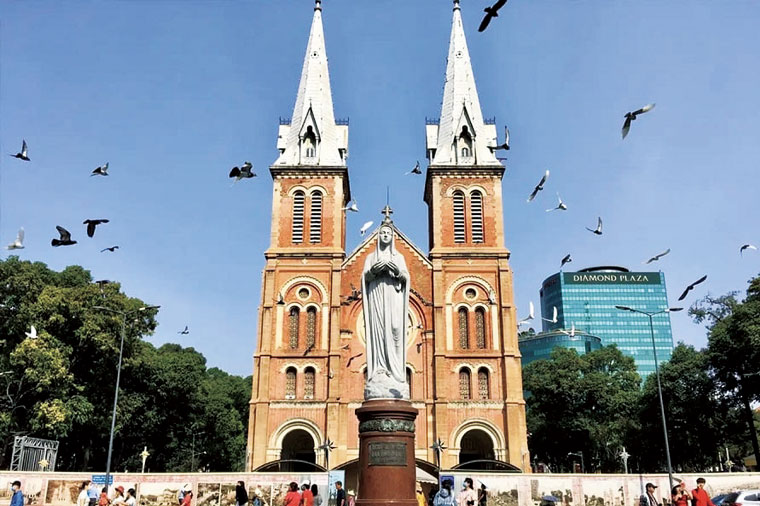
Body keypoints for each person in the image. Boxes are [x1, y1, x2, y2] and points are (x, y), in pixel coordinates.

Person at [362, 219, 411, 400]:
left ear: (392, 237)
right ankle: (379, 370)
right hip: (376, 300)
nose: (385, 235)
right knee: (379, 334)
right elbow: (364, 278)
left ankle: (396, 373)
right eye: (382, 233)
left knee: (395, 329)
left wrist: (397, 272)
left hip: (394, 301)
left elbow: (406, 278)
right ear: (378, 236)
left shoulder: (399, 257)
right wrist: (373, 272)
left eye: (388, 233)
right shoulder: (370, 258)